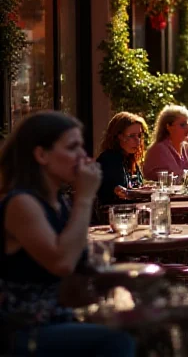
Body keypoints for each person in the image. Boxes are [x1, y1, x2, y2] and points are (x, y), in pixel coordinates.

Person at [0, 111, 136, 356]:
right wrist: (84, 197)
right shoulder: (21, 202)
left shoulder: (59, 202)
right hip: (24, 328)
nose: (83, 156)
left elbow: (74, 276)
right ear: (41, 155)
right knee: (117, 341)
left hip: (62, 317)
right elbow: (61, 263)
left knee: (154, 322)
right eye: (73, 147)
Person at [95, 112, 148, 206]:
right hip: (114, 214)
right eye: (132, 136)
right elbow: (107, 194)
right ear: (119, 137)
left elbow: (136, 187)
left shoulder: (130, 158)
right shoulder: (109, 160)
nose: (138, 141)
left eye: (139, 135)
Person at [142, 105, 188, 180]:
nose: (187, 128)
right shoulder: (159, 149)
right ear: (169, 127)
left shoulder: (187, 148)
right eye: (182, 125)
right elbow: (173, 177)